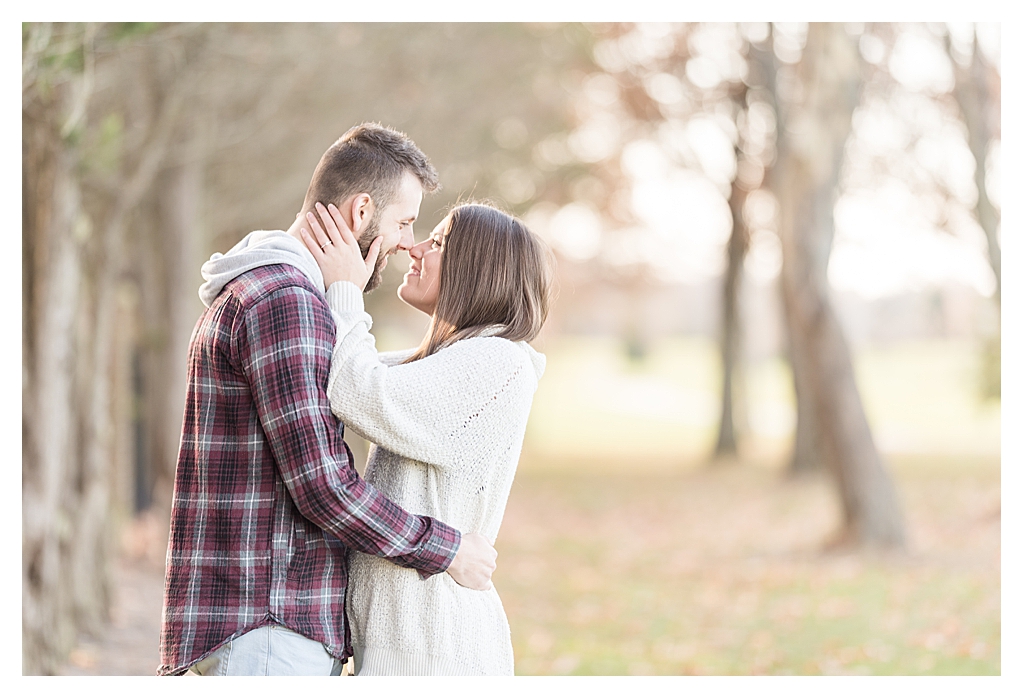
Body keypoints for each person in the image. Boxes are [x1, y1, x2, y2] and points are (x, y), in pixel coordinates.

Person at [158, 123, 498, 677]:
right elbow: (324, 487)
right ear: (362, 212)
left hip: (261, 623)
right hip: (268, 625)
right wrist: (448, 550)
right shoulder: (287, 302)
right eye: (404, 222)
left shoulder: (263, 289)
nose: (409, 243)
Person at [298, 200, 553, 675]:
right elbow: (354, 368)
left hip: (432, 648)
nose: (415, 248)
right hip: (407, 642)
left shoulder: (495, 362)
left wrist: (345, 288)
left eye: (437, 242)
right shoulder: (452, 363)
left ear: (477, 268)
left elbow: (359, 389)